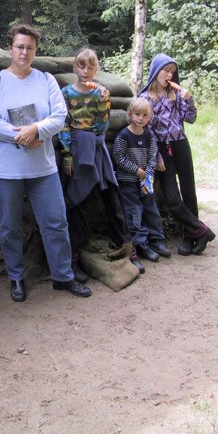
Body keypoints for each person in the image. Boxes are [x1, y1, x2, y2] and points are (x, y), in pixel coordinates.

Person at [0, 23, 91, 302]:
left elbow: (59, 116)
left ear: (35, 50)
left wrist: (37, 130)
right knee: (10, 226)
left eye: (30, 47)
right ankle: (16, 277)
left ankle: (63, 275)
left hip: (42, 168)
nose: (24, 52)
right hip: (5, 170)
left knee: (56, 221)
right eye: (20, 46)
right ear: (10, 48)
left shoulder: (46, 80)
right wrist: (24, 137)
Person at [58, 47, 142, 276]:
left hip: (97, 147)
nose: (86, 71)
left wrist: (102, 99)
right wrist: (67, 154)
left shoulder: (102, 93)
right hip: (78, 150)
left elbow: (103, 125)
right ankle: (74, 259)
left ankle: (129, 250)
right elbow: (63, 124)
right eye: (82, 66)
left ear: (96, 70)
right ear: (75, 68)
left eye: (91, 67)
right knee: (79, 202)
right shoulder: (65, 93)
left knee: (112, 197)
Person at [139, 53, 215, 255]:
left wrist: (190, 100)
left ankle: (191, 237)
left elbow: (190, 118)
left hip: (181, 144)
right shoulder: (145, 98)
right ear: (156, 71)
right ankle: (202, 230)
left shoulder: (176, 95)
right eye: (166, 70)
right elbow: (147, 132)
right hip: (162, 150)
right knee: (172, 198)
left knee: (189, 191)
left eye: (173, 71)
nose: (170, 75)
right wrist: (156, 156)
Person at [112, 97, 171, 263]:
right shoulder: (124, 136)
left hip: (145, 181)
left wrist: (148, 173)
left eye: (145, 115)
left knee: (151, 208)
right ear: (130, 114)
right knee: (134, 212)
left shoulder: (148, 135)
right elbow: (118, 157)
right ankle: (139, 244)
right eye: (137, 114)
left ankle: (156, 239)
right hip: (128, 181)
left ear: (150, 117)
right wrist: (136, 170)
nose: (140, 118)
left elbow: (153, 156)